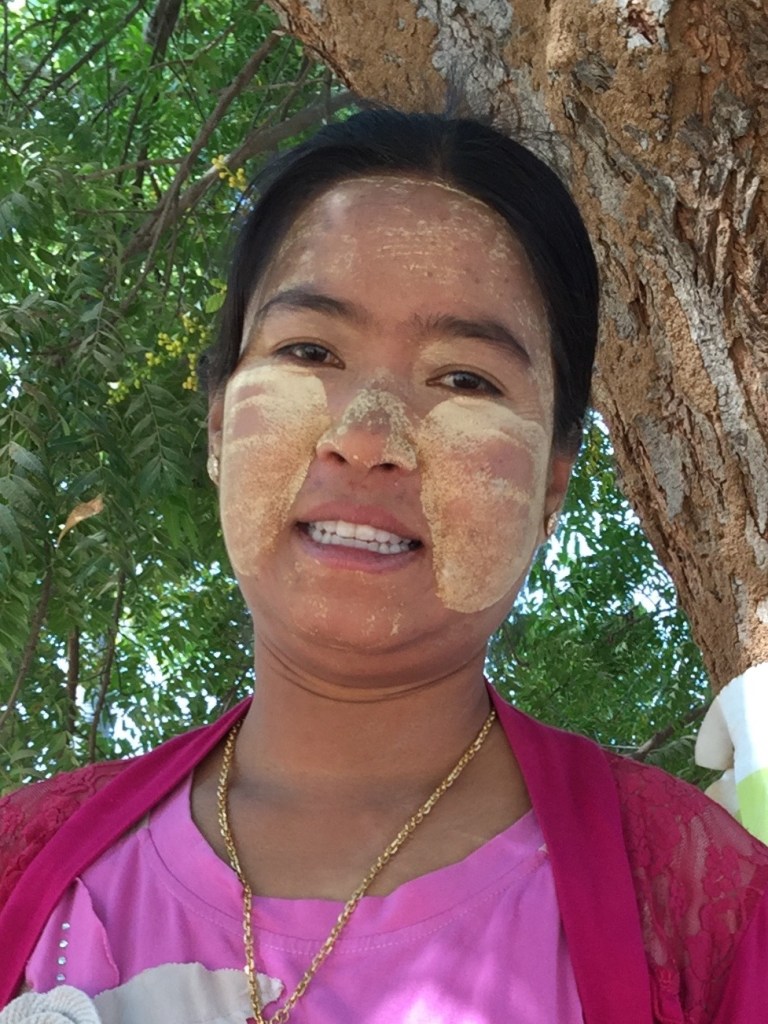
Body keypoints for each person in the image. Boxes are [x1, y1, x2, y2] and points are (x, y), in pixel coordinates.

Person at [1, 107, 767, 1024]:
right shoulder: (23, 873)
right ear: (217, 425)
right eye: (310, 351)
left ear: (552, 484)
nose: (367, 439)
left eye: (465, 379)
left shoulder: (710, 915)